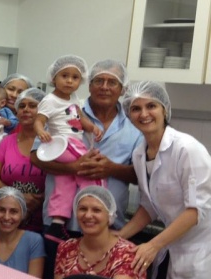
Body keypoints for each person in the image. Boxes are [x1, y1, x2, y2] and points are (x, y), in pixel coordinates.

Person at [119, 81, 211, 279]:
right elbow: (148, 207)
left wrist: (153, 245)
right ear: (129, 114)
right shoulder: (140, 153)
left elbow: (195, 212)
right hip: (173, 249)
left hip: (201, 252)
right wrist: (118, 237)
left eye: (151, 106)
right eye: (136, 108)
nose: (144, 114)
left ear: (165, 109)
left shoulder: (187, 149)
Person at [31, 60, 142, 231]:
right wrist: (72, 167)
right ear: (89, 85)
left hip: (109, 229)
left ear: (123, 89)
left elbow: (140, 175)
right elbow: (35, 157)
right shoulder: (63, 110)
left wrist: (111, 169)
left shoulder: (134, 127)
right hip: (60, 226)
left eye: (112, 82)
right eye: (98, 81)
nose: (104, 87)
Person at [34, 55, 104, 242]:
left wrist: (92, 127)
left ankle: (57, 224)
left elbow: (80, 118)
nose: (70, 81)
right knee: (93, 169)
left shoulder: (73, 99)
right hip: (63, 143)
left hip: (72, 145)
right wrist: (41, 132)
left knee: (65, 182)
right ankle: (99, 203)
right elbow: (39, 120)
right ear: (53, 78)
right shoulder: (50, 100)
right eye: (64, 76)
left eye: (75, 77)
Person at [55, 186, 146, 279]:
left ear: (110, 216)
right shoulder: (66, 248)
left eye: (96, 210)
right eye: (83, 209)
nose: (88, 215)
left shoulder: (128, 253)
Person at [0, 88, 46, 233]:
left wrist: (38, 200)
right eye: (22, 106)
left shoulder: (52, 141)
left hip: (42, 219)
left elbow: (62, 181)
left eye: (32, 106)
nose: (26, 110)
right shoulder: (7, 141)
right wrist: (18, 197)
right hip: (8, 219)